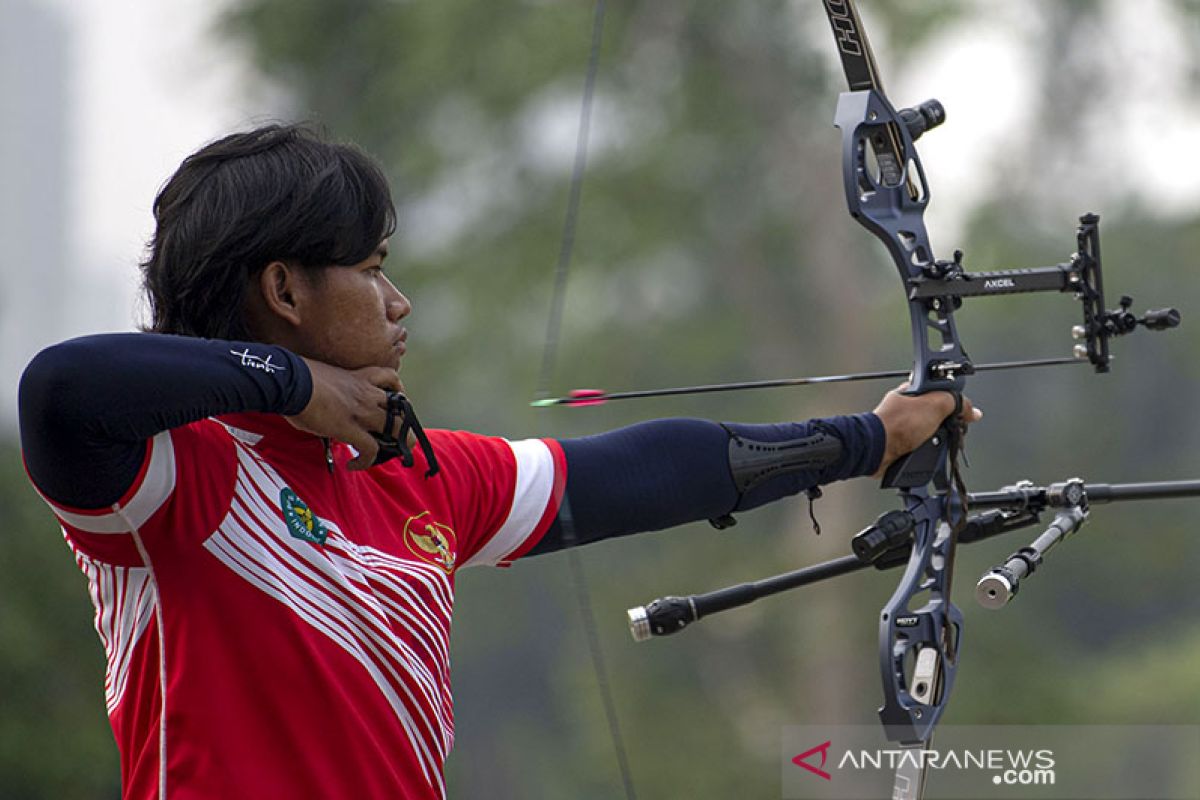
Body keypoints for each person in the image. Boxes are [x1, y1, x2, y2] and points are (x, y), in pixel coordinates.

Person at [18, 123, 980, 799]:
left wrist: (872, 437)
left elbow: (642, 472)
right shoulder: (177, 480)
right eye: (371, 269)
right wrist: (295, 386)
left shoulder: (408, 473)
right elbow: (61, 387)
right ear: (284, 289)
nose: (399, 305)